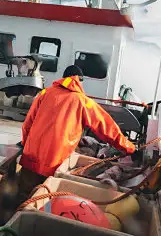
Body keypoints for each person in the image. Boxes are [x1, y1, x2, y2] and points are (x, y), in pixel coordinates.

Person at [17, 64, 136, 198]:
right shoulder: (83, 101)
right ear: (79, 80)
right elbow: (106, 127)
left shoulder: (45, 93)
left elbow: (28, 124)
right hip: (55, 162)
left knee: (22, 196)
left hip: (31, 157)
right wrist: (129, 148)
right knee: (43, 199)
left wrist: (25, 144)